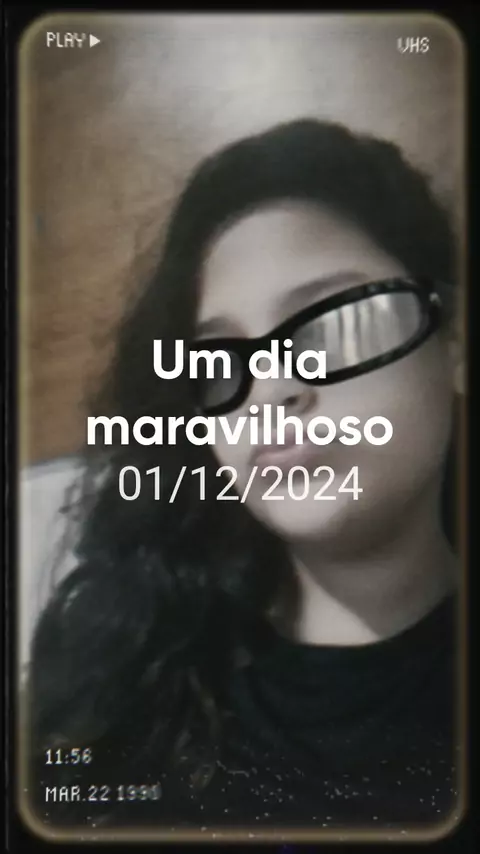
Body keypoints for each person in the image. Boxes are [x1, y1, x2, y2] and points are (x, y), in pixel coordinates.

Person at [25, 119, 462, 834]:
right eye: (223, 359)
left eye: (332, 326)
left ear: (454, 345)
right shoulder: (122, 657)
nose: (270, 392)